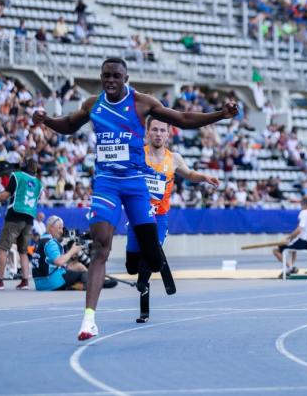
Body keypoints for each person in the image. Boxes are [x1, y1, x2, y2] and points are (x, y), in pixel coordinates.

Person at [32, 57, 237, 341]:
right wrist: (47, 121)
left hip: (136, 185)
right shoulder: (94, 104)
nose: (111, 81)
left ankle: (152, 261)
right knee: (101, 248)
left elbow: (184, 119)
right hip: (106, 184)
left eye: (116, 76)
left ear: (125, 78)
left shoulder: (142, 103)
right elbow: (68, 124)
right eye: (106, 76)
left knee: (152, 259)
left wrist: (220, 115)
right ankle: (88, 320)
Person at [126, 118, 219, 311]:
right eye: (155, 130)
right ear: (148, 133)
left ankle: (142, 283)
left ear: (168, 135)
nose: (158, 134)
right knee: (131, 266)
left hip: (159, 217)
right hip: (137, 214)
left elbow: (189, 174)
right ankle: (140, 274)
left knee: (151, 255)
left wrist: (204, 177)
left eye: (162, 130)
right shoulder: (137, 154)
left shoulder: (174, 158)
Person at [0, 160, 43, 290]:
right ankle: (25, 280)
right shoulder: (39, 183)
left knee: (3, 247)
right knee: (23, 250)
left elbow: (4, 196)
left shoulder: (17, 176)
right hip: (30, 218)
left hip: (16, 214)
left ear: (24, 167)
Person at [31, 215, 87, 291]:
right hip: (52, 281)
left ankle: (74, 285)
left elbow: (48, 263)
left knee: (78, 266)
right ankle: (84, 286)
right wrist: (72, 251)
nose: (61, 231)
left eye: (62, 228)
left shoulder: (40, 240)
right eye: (59, 228)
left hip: (40, 284)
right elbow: (59, 261)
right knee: (85, 275)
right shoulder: (50, 242)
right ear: (51, 227)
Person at [274, 196, 307, 277]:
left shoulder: (304, 213)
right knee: (292, 248)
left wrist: (289, 237)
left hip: (303, 242)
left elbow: (299, 230)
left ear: (304, 204)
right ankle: (290, 269)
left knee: (276, 250)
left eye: (301, 204)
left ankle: (290, 268)